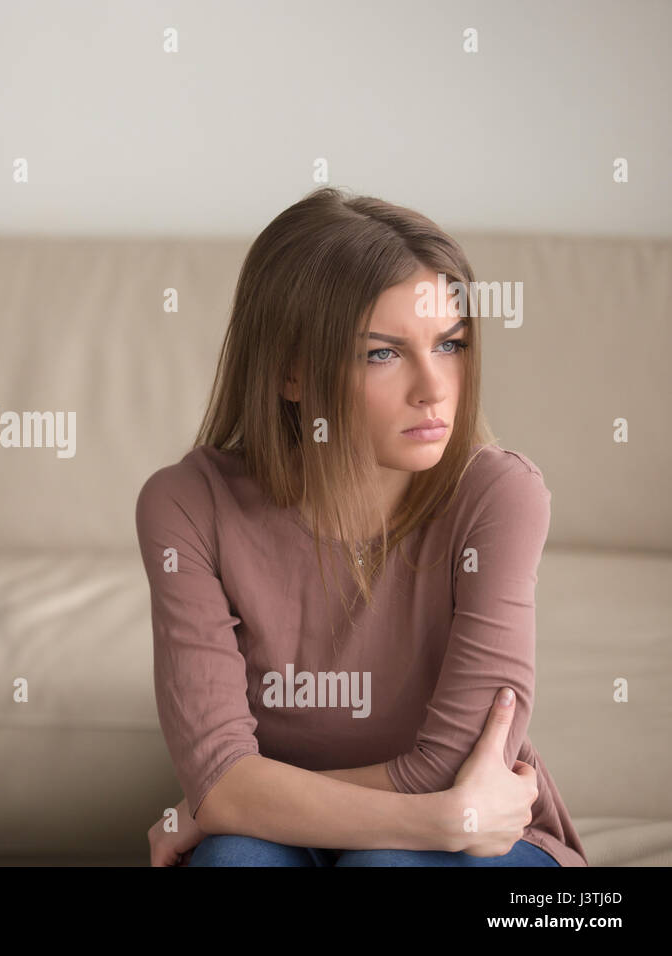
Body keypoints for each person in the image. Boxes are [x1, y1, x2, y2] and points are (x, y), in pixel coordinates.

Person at [137, 187, 587, 866]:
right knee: (234, 860)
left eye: (450, 344)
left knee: (382, 866)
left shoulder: (500, 495)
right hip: (409, 827)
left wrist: (230, 801)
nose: (434, 387)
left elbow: (448, 765)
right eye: (383, 353)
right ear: (291, 373)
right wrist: (224, 800)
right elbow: (222, 779)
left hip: (490, 839)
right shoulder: (185, 505)